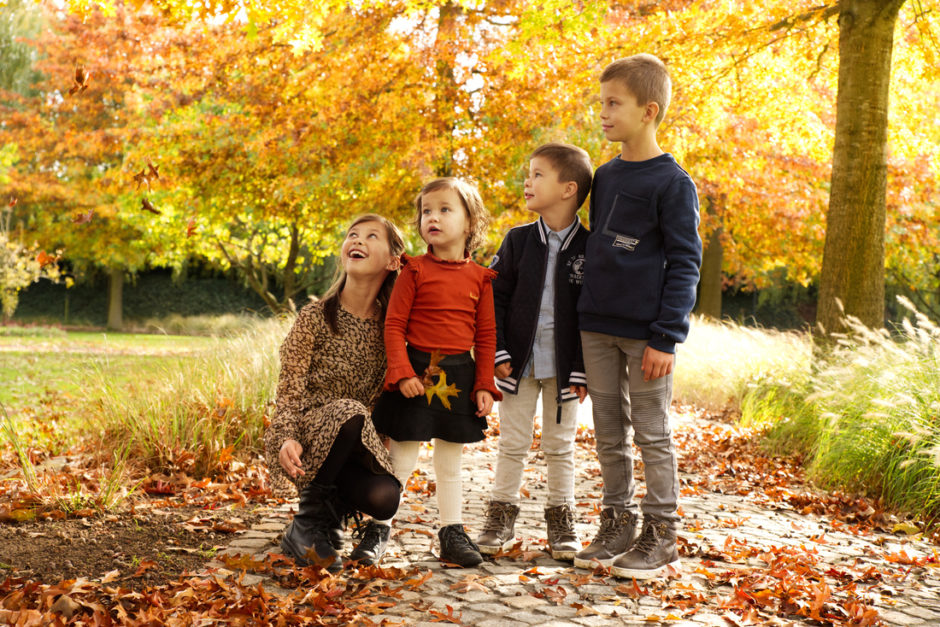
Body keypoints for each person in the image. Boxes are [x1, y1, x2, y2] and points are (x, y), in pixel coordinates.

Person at [573, 54, 702, 579]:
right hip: (596, 328)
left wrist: (667, 337)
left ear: (648, 111)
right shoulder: (603, 176)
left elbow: (685, 262)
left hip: (647, 336)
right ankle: (618, 521)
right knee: (608, 432)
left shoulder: (673, 183)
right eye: (601, 101)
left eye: (613, 103)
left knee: (651, 433)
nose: (602, 112)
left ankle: (662, 533)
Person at [371, 177, 502, 568]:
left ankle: (452, 532)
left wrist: (483, 385)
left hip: (458, 374)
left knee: (450, 463)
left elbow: (487, 336)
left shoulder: (480, 278)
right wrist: (402, 372)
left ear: (469, 221)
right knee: (403, 459)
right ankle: (379, 528)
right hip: (415, 373)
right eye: (427, 210)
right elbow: (393, 324)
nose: (433, 217)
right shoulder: (414, 270)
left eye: (445, 209)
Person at [264, 214, 406, 573]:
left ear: (393, 261)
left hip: (355, 443)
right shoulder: (315, 317)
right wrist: (285, 438)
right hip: (307, 440)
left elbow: (383, 402)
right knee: (348, 411)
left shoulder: (390, 330)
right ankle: (308, 525)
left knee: (386, 498)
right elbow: (289, 391)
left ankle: (333, 517)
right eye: (352, 235)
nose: (357, 240)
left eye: (372, 236)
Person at [475, 142, 593, 561]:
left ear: (568, 189)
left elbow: (593, 314)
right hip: (517, 364)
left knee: (561, 446)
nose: (528, 181)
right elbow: (494, 299)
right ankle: (500, 515)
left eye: (538, 174)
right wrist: (498, 351)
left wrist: (582, 370)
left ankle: (561, 521)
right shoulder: (518, 241)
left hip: (565, 370)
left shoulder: (590, 247)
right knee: (512, 442)